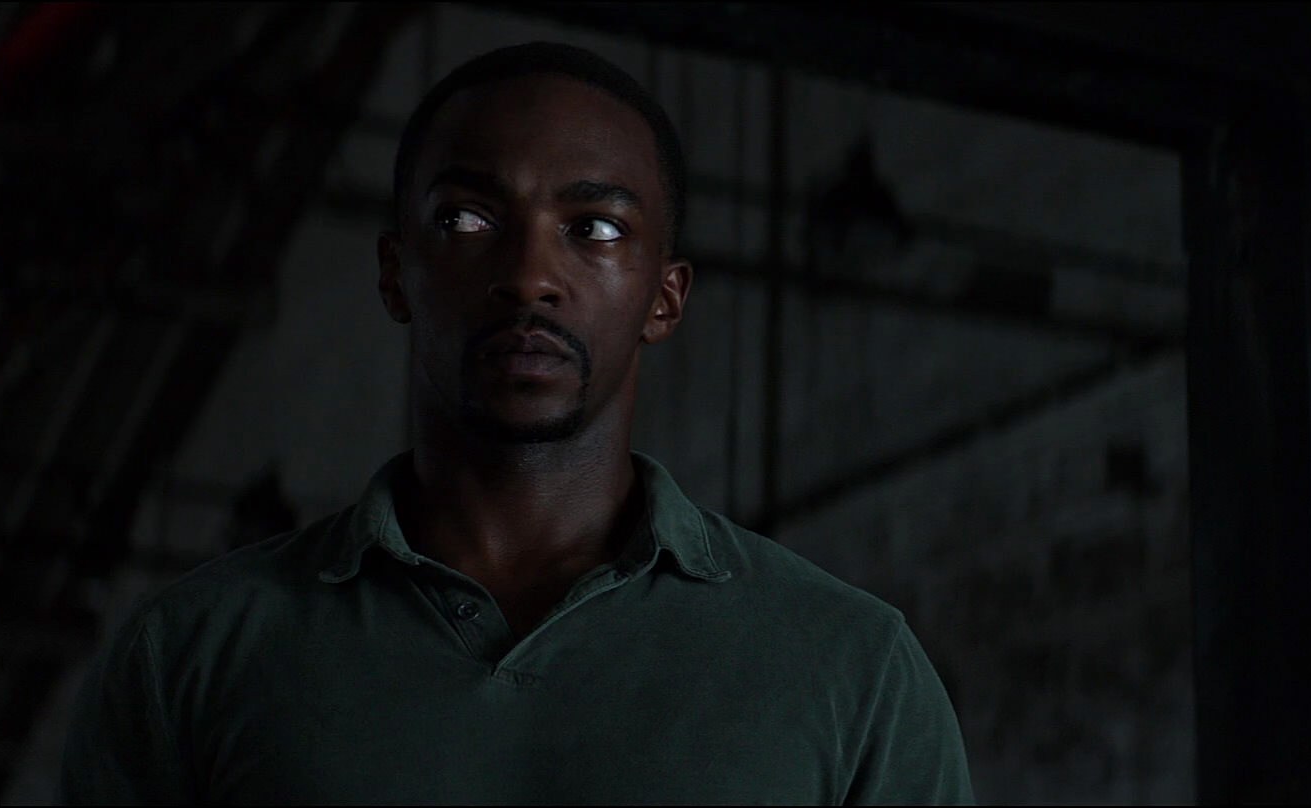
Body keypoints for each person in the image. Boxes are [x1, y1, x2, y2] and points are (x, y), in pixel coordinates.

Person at [59, 40, 974, 805]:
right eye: (466, 219)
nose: (531, 275)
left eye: (596, 228)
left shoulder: (853, 668)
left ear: (665, 297)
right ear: (395, 274)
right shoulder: (193, 655)